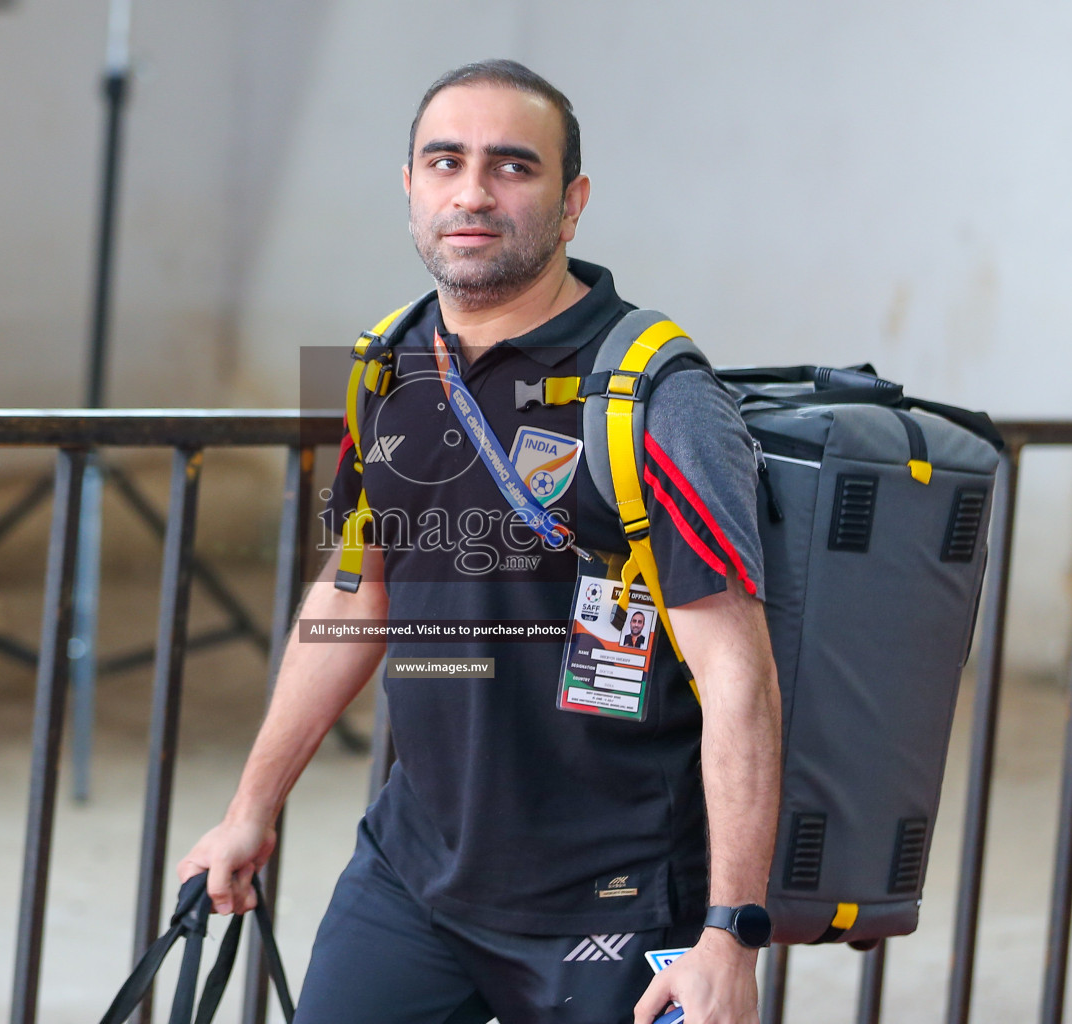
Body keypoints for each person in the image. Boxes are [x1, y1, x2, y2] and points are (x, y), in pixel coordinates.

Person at [177, 59, 781, 1024]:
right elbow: (350, 592)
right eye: (445, 161)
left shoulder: (656, 397)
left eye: (512, 166)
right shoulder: (383, 362)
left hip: (615, 893)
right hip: (416, 874)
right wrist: (251, 808)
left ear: (572, 202)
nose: (472, 191)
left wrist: (731, 934)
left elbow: (737, 672)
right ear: (409, 188)